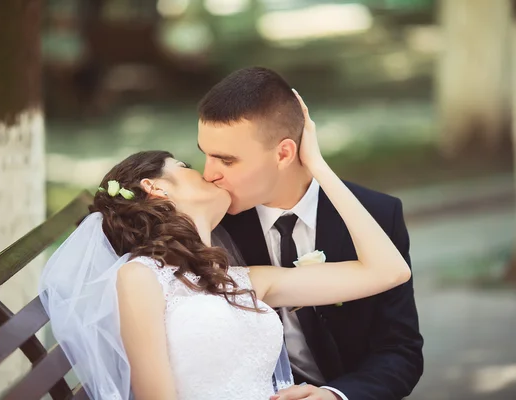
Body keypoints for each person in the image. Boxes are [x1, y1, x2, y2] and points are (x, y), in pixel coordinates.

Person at [40, 90, 411, 400]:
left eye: (222, 158)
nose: (208, 171)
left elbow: (389, 272)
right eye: (188, 163)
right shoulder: (140, 277)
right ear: (155, 187)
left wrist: (316, 164)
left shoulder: (247, 280)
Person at [198, 67, 424, 400]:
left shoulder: (376, 215)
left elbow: (400, 349)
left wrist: (336, 395)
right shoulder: (208, 225)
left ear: (284, 153)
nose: (209, 174)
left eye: (226, 161)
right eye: (205, 154)